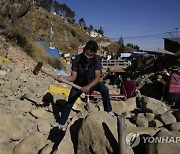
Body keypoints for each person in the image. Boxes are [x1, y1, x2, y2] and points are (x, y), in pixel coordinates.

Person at [53, 40, 114, 130]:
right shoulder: (77, 59)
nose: (89, 57)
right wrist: (63, 79)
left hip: (93, 82)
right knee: (70, 102)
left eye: (91, 55)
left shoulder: (96, 59)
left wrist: (89, 86)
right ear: (84, 50)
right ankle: (61, 123)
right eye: (87, 54)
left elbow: (97, 77)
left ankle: (108, 111)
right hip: (79, 83)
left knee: (104, 90)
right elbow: (73, 77)